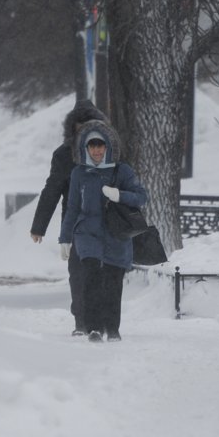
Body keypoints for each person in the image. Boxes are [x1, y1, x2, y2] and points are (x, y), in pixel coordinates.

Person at [58, 120, 147, 343]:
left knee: (113, 281)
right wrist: (65, 238)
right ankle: (94, 328)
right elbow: (72, 207)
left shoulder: (122, 171)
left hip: (116, 235)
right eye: (92, 146)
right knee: (92, 279)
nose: (96, 150)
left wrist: (119, 195)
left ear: (108, 147)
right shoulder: (79, 173)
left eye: (100, 146)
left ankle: (112, 328)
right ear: (85, 149)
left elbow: (141, 197)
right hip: (88, 235)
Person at [30, 99, 108, 336]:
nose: (83, 128)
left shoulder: (109, 153)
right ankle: (82, 321)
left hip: (106, 223)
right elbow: (52, 189)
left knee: (102, 273)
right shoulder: (64, 155)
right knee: (78, 273)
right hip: (75, 224)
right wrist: (39, 226)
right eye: (79, 124)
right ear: (72, 128)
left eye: (89, 124)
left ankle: (100, 320)